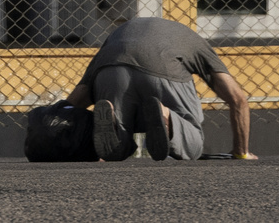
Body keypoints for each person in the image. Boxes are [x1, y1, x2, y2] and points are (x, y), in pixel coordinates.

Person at [66, 17, 256, 161]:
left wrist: (57, 126)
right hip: (164, 68)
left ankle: (115, 125)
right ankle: (166, 117)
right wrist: (241, 152)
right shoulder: (194, 41)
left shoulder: (118, 35)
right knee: (193, 141)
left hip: (110, 69)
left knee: (118, 140)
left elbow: (76, 100)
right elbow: (238, 99)